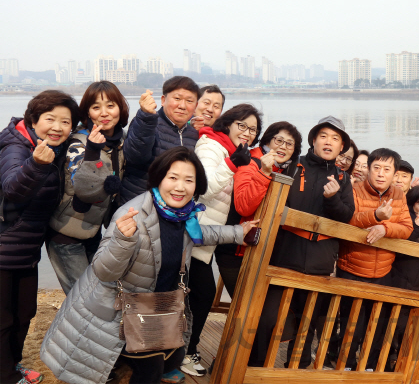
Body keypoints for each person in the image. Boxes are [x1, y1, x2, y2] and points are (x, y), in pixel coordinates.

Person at [40, 147, 257, 384]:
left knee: (156, 363)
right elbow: (103, 271)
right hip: (115, 312)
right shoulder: (133, 215)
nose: (180, 187)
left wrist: (239, 233)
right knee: (148, 369)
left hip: (150, 308)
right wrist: (122, 241)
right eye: (172, 178)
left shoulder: (182, 217)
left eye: (188, 180)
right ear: (158, 178)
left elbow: (202, 234)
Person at [249, 116, 355, 368]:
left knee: (306, 325)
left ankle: (296, 370)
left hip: (320, 263)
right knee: (267, 318)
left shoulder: (343, 179)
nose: (328, 142)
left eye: (335, 138)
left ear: (342, 147)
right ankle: (253, 367)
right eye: (323, 136)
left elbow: (346, 218)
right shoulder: (293, 166)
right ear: (313, 140)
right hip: (284, 256)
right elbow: (273, 203)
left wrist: (332, 199)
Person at [0, 90, 80, 384]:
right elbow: (12, 189)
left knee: (24, 314)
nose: (57, 127)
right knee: (5, 319)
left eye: (65, 121)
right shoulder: (16, 148)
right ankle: (6, 376)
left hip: (27, 249)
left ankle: (11, 366)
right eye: (50, 119)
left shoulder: (50, 147)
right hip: (4, 247)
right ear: (33, 119)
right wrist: (35, 164)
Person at [189, 103, 262, 376]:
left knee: (198, 294)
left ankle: (184, 349)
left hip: (208, 239)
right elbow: (204, 188)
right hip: (195, 234)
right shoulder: (211, 146)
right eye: (242, 125)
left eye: (253, 129)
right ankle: (186, 351)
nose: (247, 132)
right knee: (203, 294)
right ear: (228, 123)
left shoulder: (232, 150)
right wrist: (233, 165)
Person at [47, 81, 129, 294]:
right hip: (66, 235)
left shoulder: (119, 141)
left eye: (110, 106)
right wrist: (93, 150)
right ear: (88, 113)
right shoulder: (79, 143)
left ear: (120, 108)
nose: (104, 113)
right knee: (82, 300)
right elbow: (83, 187)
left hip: (92, 232)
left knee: (100, 293)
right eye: (96, 107)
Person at [336, 148, 413, 370]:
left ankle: (369, 368)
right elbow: (347, 220)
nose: (381, 173)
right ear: (368, 169)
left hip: (383, 271)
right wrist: (375, 216)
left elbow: (407, 228)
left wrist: (384, 227)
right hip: (353, 266)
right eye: (376, 168)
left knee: (377, 324)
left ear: (394, 173)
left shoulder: (398, 195)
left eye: (387, 169)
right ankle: (345, 367)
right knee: (352, 324)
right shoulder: (354, 190)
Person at [224, 121, 303, 298]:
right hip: (237, 251)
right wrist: (264, 173)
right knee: (245, 306)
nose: (283, 147)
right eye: (279, 141)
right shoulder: (251, 162)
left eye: (290, 144)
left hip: (263, 252)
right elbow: (244, 207)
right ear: (267, 141)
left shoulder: (288, 169)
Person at [384, 185, 419, 371]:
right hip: (397, 283)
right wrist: (417, 227)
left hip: (418, 289)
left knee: (407, 333)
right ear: (412, 205)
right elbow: (402, 243)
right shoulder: (404, 222)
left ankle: (400, 370)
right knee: (391, 330)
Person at [120, 76, 200, 205]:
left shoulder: (193, 133)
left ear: (196, 106)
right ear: (163, 100)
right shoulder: (147, 123)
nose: (182, 105)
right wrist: (146, 116)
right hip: (139, 205)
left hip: (174, 208)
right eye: (177, 98)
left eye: (189, 101)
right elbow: (134, 157)